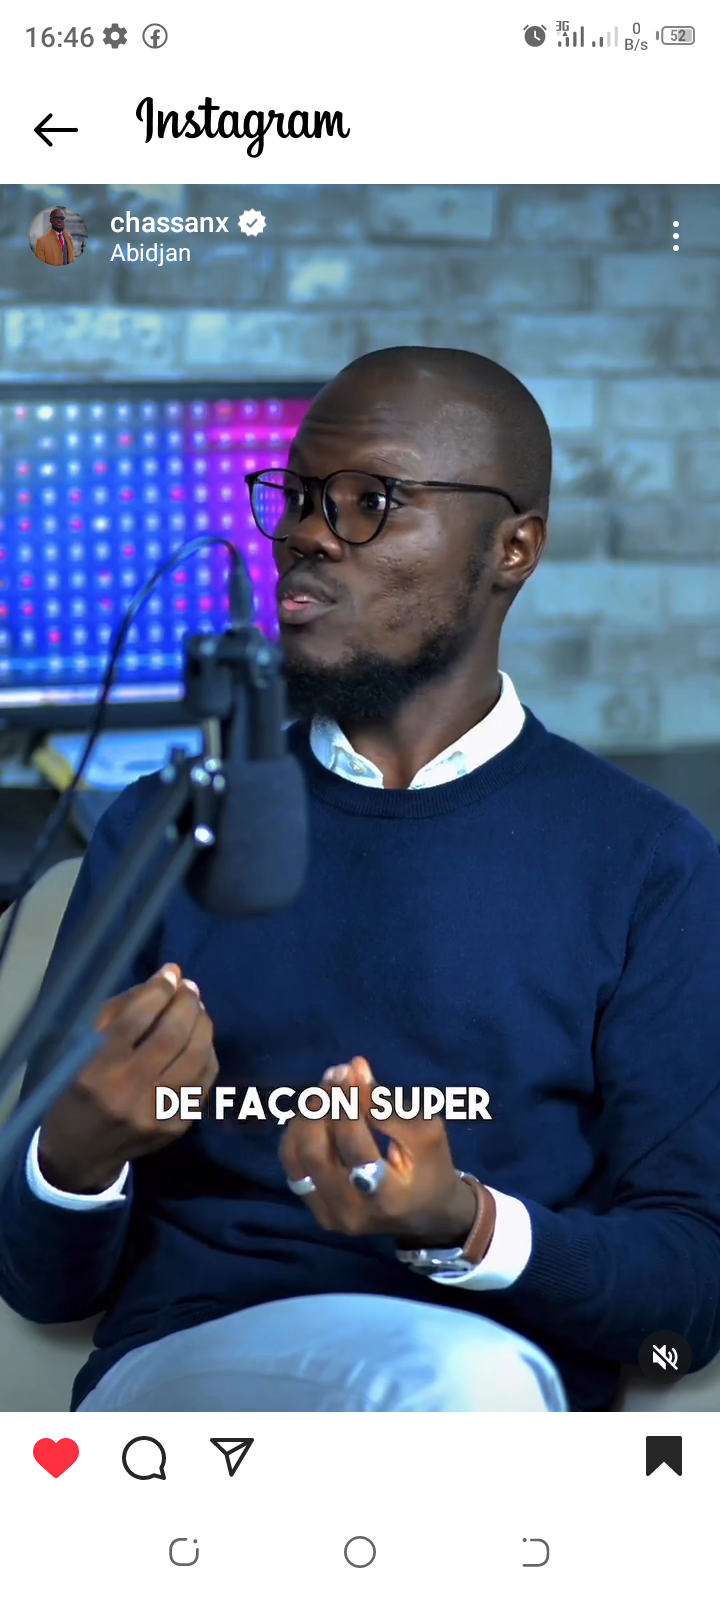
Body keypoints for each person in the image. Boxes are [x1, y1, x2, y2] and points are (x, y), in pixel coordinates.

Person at [2, 345, 720, 1414]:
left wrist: (464, 1223)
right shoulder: (164, 826)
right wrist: (76, 1151)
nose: (305, 532)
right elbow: (41, 1286)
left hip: (493, 1400)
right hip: (192, 1380)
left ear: (513, 549)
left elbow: (688, 1300)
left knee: (463, 1382)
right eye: (297, 498)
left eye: (370, 501)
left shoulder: (648, 861)